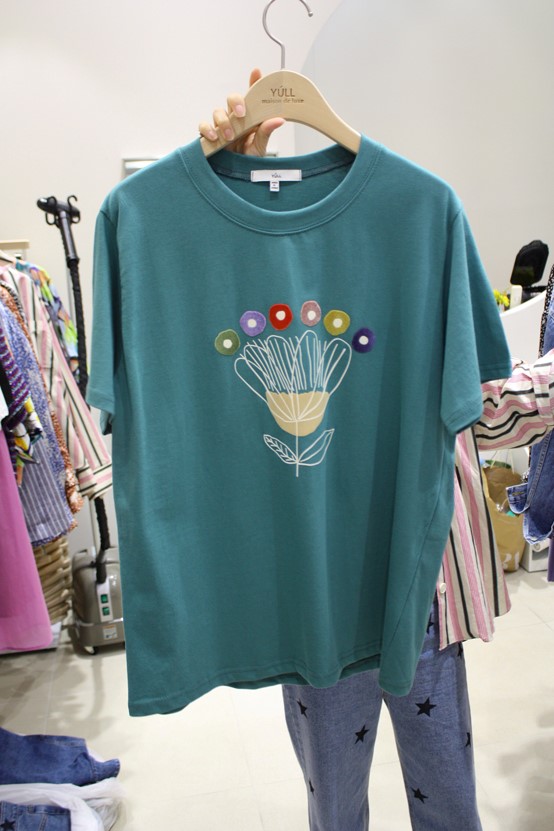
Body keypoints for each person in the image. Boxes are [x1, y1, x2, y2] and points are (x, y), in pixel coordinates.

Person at [199, 73, 554, 830]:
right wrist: (218, 192)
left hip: (420, 586)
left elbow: (477, 408)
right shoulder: (245, 274)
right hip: (316, 600)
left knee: (442, 792)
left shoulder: (423, 227)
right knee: (337, 799)